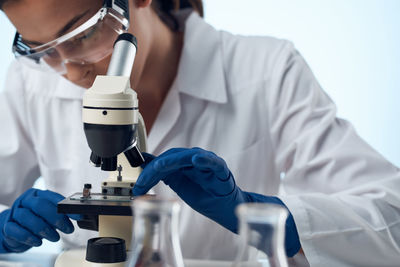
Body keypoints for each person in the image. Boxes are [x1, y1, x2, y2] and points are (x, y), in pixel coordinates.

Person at [0, 0, 399, 266]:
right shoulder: (28, 81)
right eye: (44, 50)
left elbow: (391, 220)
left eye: (84, 34)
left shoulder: (265, 70)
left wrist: (260, 216)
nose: (71, 72)